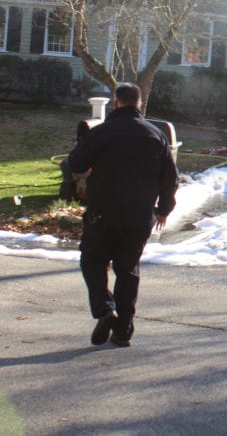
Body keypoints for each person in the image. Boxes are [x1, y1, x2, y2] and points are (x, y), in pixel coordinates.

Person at [68, 83, 178, 347]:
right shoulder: (156, 135)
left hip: (103, 212)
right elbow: (170, 179)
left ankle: (105, 310)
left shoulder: (103, 132)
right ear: (139, 103)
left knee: (92, 259)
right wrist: (163, 209)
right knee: (128, 270)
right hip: (139, 215)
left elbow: (76, 163)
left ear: (116, 102)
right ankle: (123, 330)